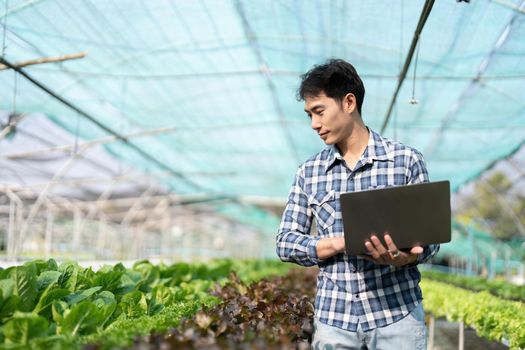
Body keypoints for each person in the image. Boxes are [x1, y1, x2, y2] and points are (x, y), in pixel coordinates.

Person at [276, 58, 440, 350]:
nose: (314, 124)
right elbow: (285, 242)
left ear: (349, 102)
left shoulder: (404, 161)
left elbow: (430, 240)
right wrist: (339, 243)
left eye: (319, 111)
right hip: (334, 321)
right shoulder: (309, 172)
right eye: (309, 115)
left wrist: (406, 258)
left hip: (396, 317)